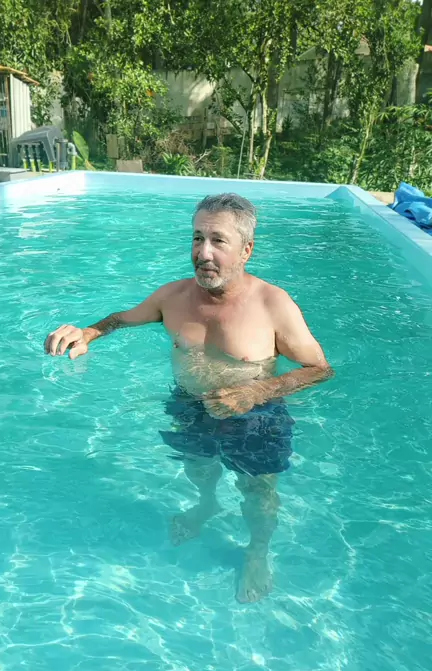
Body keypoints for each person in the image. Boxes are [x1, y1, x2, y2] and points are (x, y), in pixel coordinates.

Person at [45, 193, 333, 603]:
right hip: (190, 404)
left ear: (246, 250)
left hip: (255, 414)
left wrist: (256, 392)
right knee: (198, 467)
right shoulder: (173, 297)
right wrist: (88, 332)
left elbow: (319, 368)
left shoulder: (273, 304)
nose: (203, 252)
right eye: (198, 238)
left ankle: (256, 551)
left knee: (257, 491)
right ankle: (207, 504)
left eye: (218, 241)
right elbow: (120, 319)